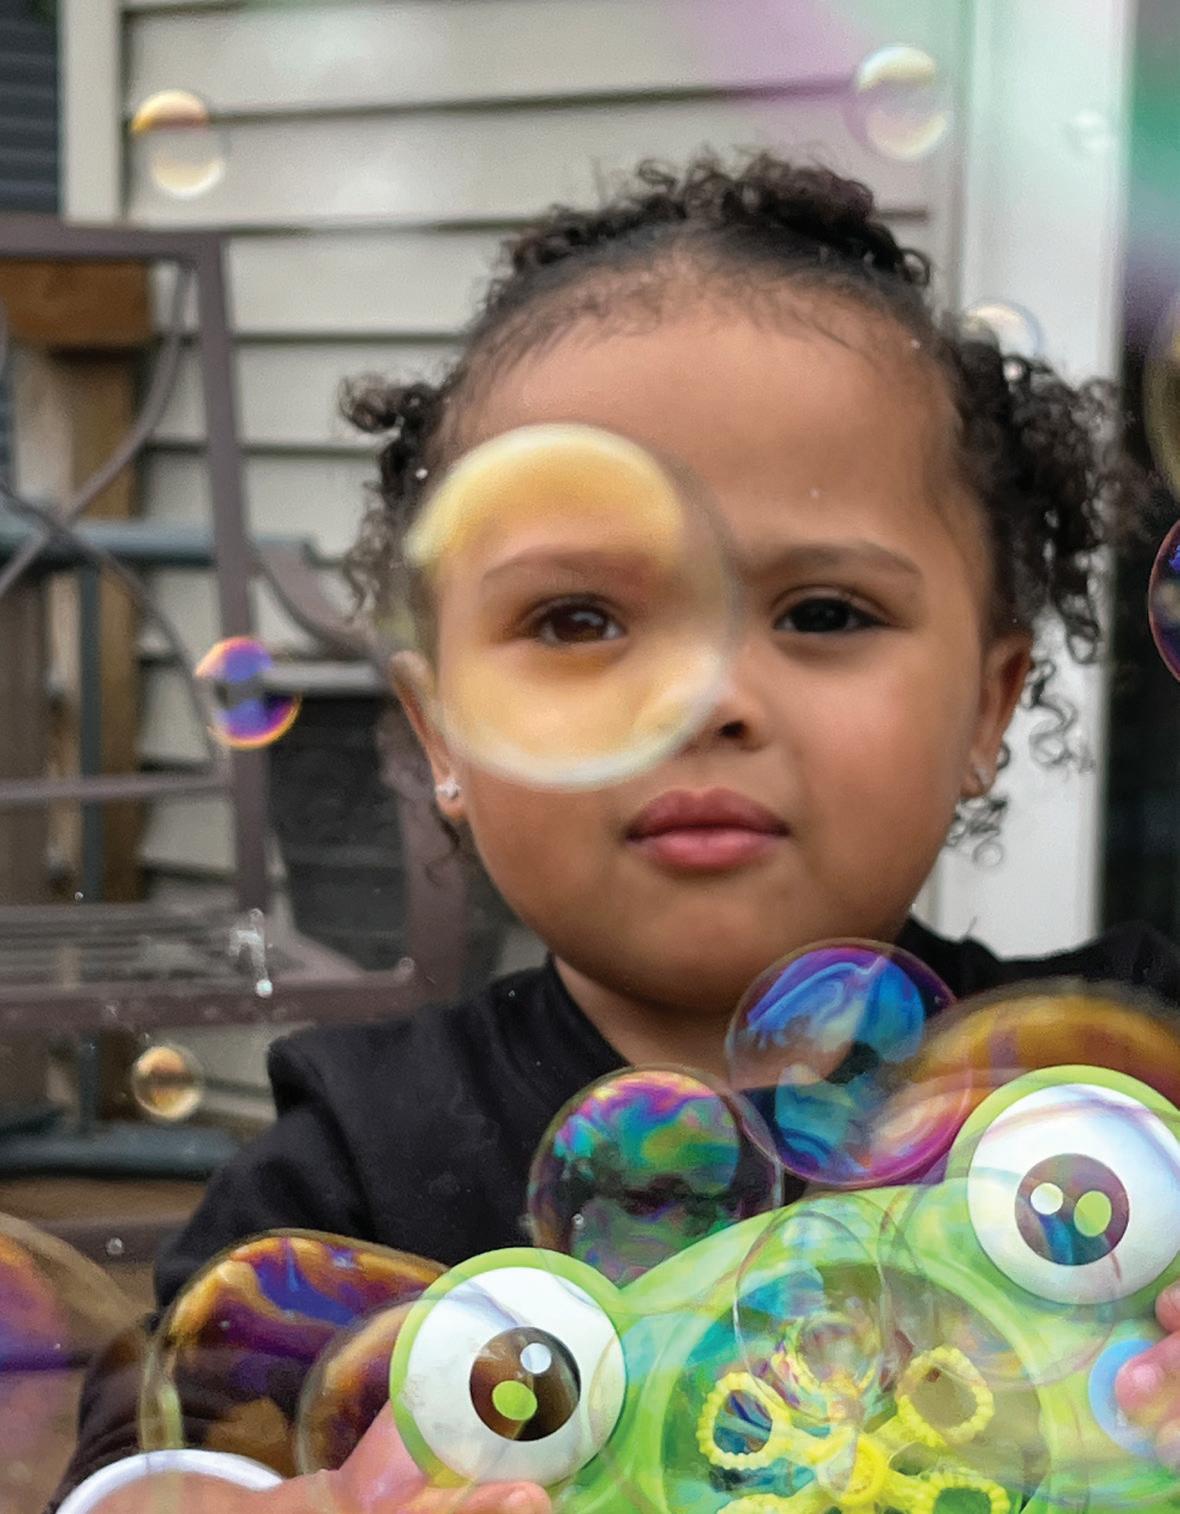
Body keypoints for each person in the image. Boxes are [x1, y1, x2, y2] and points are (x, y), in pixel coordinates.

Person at [57, 151, 1180, 1512]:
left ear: (987, 707)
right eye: (578, 620)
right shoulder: (355, 1162)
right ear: (443, 734)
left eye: (823, 612)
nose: (697, 700)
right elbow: (154, 1465)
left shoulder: (1116, 1108)